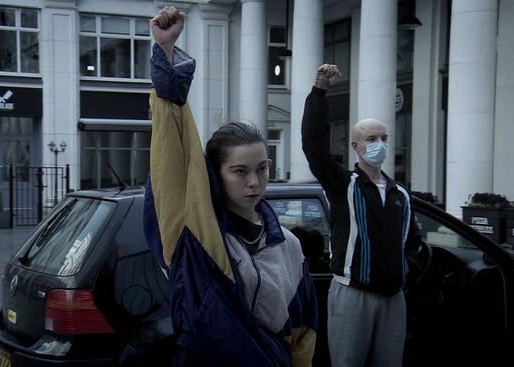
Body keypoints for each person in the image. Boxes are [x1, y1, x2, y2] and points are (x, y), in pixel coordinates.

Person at [143, 6, 317, 367]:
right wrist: (166, 57)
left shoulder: (290, 247)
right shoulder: (195, 239)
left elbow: (303, 330)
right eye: (239, 171)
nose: (254, 182)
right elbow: (172, 160)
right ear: (215, 175)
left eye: (262, 169)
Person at [301, 64, 423, 367]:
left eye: (383, 137)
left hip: (394, 299)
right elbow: (313, 145)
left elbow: (413, 242)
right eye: (370, 139)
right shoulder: (344, 185)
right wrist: (320, 91)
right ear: (356, 146)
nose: (378, 144)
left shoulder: (401, 195)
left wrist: (405, 271)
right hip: (352, 295)